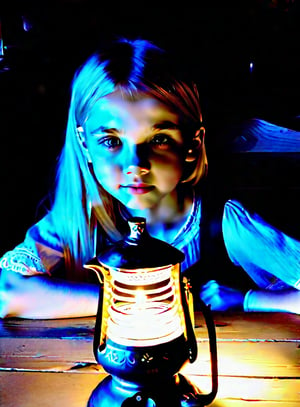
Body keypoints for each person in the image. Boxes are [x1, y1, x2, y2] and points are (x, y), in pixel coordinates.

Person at [0, 37, 299, 319]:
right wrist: (141, 300)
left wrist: (248, 300)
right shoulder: (78, 219)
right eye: (111, 141)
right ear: (84, 145)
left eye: (159, 140)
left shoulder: (225, 225)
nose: (136, 165)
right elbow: (8, 293)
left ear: (192, 145)